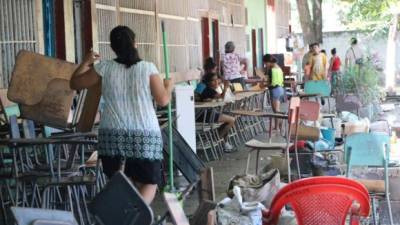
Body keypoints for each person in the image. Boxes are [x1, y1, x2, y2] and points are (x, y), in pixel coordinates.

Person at [70, 26, 173, 204]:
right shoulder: (148, 68)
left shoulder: (104, 68)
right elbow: (163, 100)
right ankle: (134, 218)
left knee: (121, 183)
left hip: (113, 135)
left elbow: (74, 83)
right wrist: (169, 86)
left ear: (112, 47)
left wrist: (85, 62)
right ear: (135, 43)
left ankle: (128, 217)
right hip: (145, 134)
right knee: (149, 182)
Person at [199, 72, 236, 152]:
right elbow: (222, 98)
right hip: (205, 115)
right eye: (213, 80)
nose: (216, 82)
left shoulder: (203, 88)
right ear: (208, 82)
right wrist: (225, 88)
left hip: (204, 114)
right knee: (231, 120)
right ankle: (216, 140)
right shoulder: (208, 90)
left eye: (217, 80)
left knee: (226, 118)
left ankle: (225, 143)